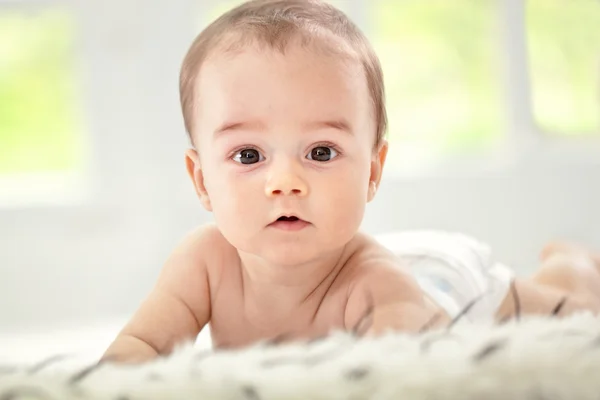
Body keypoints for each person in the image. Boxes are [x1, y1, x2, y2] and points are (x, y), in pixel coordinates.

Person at [101, 0, 600, 364]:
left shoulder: (379, 287)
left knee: (560, 311)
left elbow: (413, 378)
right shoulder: (203, 262)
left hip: (444, 282)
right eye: (248, 154)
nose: (286, 182)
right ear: (202, 179)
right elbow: (139, 346)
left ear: (372, 172)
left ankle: (571, 265)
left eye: (320, 152)